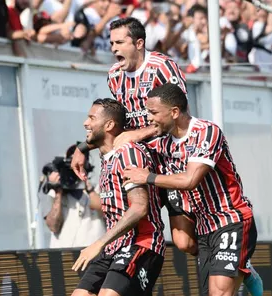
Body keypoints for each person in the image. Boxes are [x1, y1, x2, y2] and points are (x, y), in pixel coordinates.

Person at [71, 17, 198, 261]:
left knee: (184, 242)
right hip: (136, 163)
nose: (113, 49)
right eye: (111, 43)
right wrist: (82, 147)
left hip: (170, 162)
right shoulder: (114, 76)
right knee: (132, 237)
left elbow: (180, 117)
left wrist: (139, 134)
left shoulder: (163, 67)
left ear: (139, 43)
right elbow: (114, 122)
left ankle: (231, 259)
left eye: (120, 42)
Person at [122, 83, 262, 296]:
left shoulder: (206, 132)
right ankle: (245, 266)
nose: (149, 118)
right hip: (204, 231)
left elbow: (189, 180)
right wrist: (82, 150)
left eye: (154, 112)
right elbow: (123, 141)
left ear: (175, 112)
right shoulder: (162, 143)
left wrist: (147, 177)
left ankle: (243, 264)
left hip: (231, 220)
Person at [68, 98, 165, 296]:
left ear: (109, 125)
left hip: (141, 243)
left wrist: (98, 243)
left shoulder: (128, 153)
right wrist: (81, 149)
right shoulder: (107, 156)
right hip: (114, 247)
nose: (85, 123)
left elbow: (139, 208)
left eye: (91, 118)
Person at [43, 144, 106, 248]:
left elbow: (105, 210)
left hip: (94, 253)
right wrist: (58, 191)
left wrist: (88, 188)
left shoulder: (98, 187)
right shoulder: (54, 193)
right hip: (64, 255)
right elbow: (53, 226)